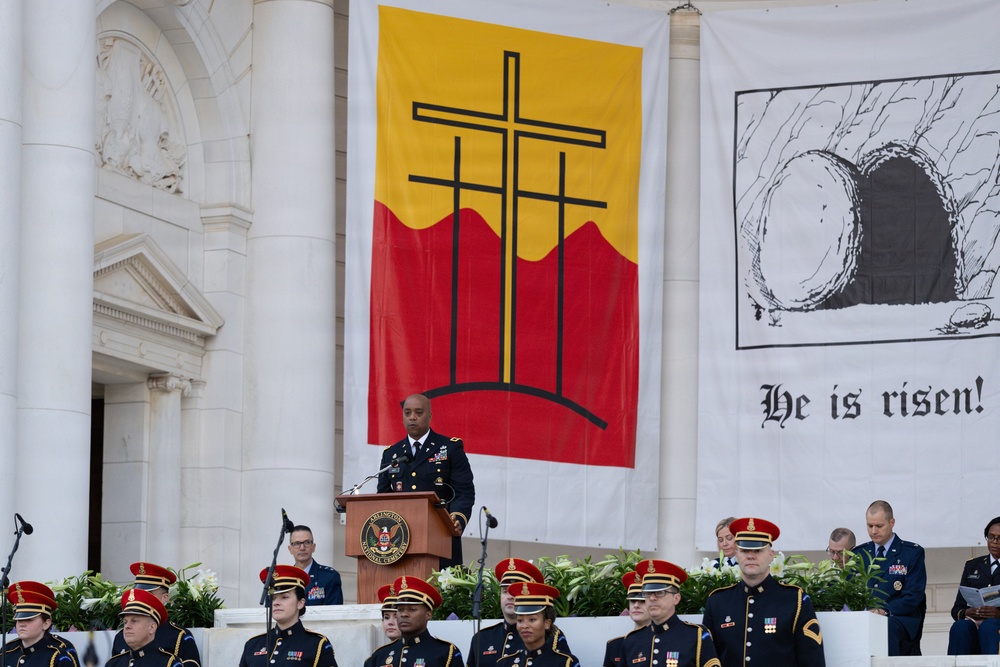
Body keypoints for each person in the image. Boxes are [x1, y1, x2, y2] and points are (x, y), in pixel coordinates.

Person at [703, 517, 825, 667]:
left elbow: (812, 660)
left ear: (771, 555)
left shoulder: (795, 600)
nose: (750, 555)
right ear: (737, 553)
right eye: (744, 550)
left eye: (758, 550)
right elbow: (708, 659)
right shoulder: (718, 602)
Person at [377, 393, 475, 568]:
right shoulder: (391, 454)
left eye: (418, 412)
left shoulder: (450, 448)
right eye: (407, 413)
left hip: (441, 536)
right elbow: (383, 497)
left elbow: (464, 491)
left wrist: (458, 518)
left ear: (429, 416)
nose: (412, 417)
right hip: (400, 542)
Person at [467, 559, 572, 667]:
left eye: (515, 592)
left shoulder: (550, 635)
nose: (510, 596)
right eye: (505, 591)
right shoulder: (481, 638)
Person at [856, 500, 927, 656]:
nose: (873, 531)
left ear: (892, 523)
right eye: (869, 526)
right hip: (865, 617)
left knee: (885, 627)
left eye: (879, 526)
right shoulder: (859, 553)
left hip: (898, 618)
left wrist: (885, 611)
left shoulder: (911, 553)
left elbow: (913, 595)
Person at [617, 560, 719, 667]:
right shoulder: (632, 641)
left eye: (660, 592)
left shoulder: (696, 635)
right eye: (647, 593)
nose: (652, 598)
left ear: (676, 598)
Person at [239, 565, 338, 667]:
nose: (276, 603)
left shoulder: (316, 644)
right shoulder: (253, 645)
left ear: (300, 603)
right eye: (273, 598)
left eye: (284, 597)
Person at [110, 562, 201, 666]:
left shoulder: (179, 636)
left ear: (165, 598)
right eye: (138, 594)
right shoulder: (121, 637)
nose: (142, 598)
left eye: (149, 594)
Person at [364, 575, 463, 667]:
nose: (404, 614)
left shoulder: (444, 653)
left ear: (428, 614)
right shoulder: (379, 656)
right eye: (400, 609)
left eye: (412, 609)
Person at [947, 516, 1000, 655]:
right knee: (960, 627)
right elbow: (957, 609)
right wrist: (967, 612)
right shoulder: (973, 565)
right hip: (975, 623)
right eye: (991, 537)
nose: (995, 542)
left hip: (995, 626)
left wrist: (998, 614)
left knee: (989, 626)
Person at [496, 582, 579, 667]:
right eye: (520, 620)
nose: (524, 626)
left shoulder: (565, 663)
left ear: (547, 623)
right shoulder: (504, 663)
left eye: (532, 620)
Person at [3, 581, 78, 667]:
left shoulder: (60, 652)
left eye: (29, 619)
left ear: (46, 624)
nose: (21, 624)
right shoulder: (7, 650)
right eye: (19, 619)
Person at [105, 589, 185, 667]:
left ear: (152, 627)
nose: (127, 626)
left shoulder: (169, 663)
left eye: (134, 621)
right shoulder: (113, 664)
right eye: (125, 622)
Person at [287, 525, 344, 605]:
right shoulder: (285, 579)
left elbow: (333, 611)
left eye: (307, 542)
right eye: (296, 544)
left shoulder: (329, 577)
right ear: (290, 549)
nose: (302, 548)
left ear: (313, 547)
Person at [601, 571, 649, 667]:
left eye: (642, 601)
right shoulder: (615, 645)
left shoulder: (663, 642)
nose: (636, 605)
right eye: (632, 601)